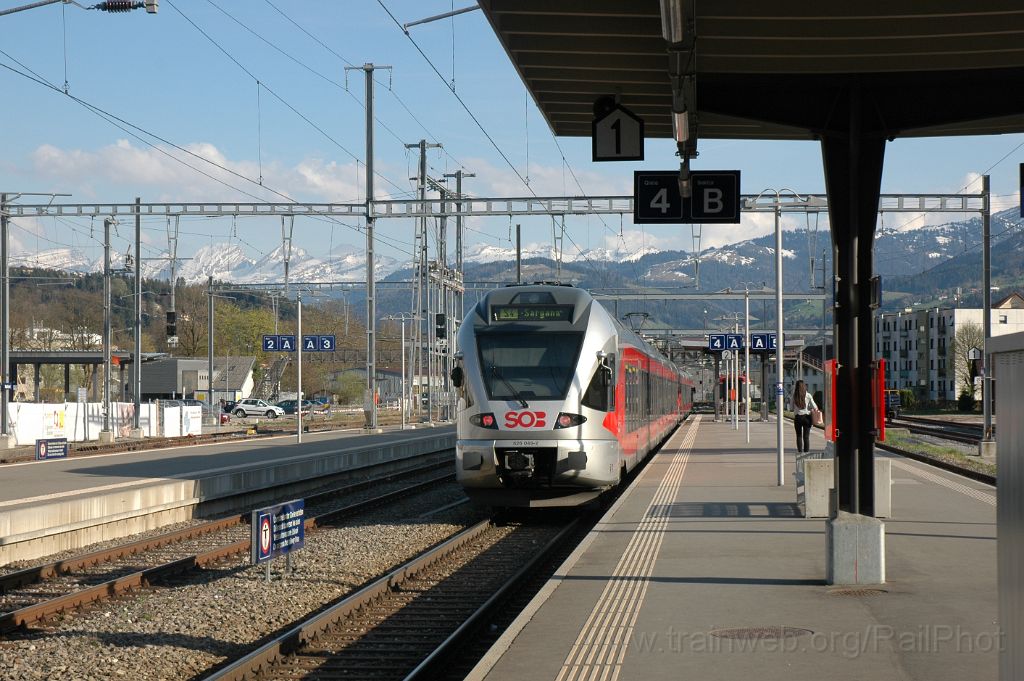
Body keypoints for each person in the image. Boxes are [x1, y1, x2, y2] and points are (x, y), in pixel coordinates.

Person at [789, 380, 818, 454]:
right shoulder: (808, 395)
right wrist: (810, 408)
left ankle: (800, 453)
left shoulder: (794, 395)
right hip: (807, 418)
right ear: (804, 386)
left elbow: (791, 408)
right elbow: (815, 407)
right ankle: (806, 453)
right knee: (806, 437)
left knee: (799, 436)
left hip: (798, 418)